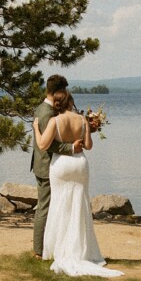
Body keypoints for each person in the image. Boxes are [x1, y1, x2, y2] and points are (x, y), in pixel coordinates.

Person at [34, 89, 123, 278]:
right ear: (71, 103)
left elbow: (42, 145)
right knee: (79, 206)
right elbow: (89, 146)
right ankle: (81, 250)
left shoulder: (54, 121)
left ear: (57, 104)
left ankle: (56, 249)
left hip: (61, 165)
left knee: (59, 205)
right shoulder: (82, 120)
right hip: (80, 164)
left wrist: (35, 128)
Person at [31, 74, 83, 260]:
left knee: (54, 207)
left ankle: (52, 245)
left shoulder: (45, 108)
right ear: (58, 91)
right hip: (46, 165)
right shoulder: (46, 112)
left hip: (48, 164)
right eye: (65, 91)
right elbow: (47, 144)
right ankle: (38, 250)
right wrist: (71, 147)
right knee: (44, 208)